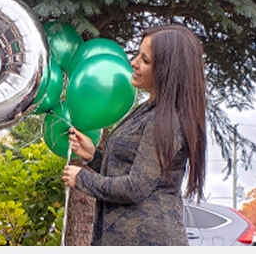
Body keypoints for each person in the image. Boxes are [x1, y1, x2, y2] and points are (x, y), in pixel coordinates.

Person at [62, 24, 207, 246]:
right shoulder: (148, 111)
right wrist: (94, 157)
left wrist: (82, 178)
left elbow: (135, 187)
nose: (134, 63)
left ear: (167, 70)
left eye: (145, 60)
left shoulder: (166, 121)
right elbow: (138, 171)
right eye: (138, 55)